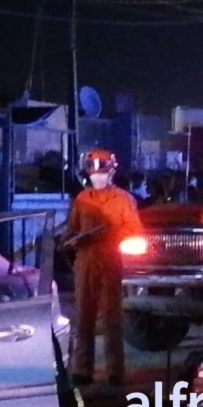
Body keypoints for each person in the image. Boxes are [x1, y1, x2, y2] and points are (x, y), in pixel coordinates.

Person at [62, 148, 143, 387]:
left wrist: (111, 234)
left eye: (102, 173)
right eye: (93, 173)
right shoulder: (83, 199)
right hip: (85, 260)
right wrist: (68, 241)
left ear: (111, 173)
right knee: (84, 316)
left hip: (110, 259)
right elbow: (72, 229)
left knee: (111, 318)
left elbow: (134, 230)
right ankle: (82, 370)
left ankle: (115, 372)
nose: (98, 177)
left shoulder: (124, 199)